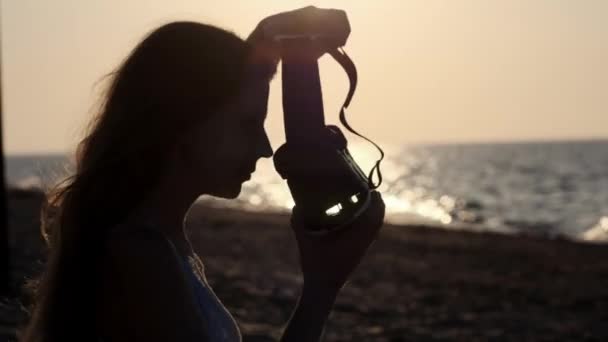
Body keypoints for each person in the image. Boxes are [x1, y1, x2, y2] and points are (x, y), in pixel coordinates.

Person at [20, 17, 385, 342]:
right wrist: (321, 289)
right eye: (247, 124)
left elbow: (216, 79)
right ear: (182, 126)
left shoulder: (152, 238)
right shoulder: (142, 259)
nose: (265, 147)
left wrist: (268, 44)